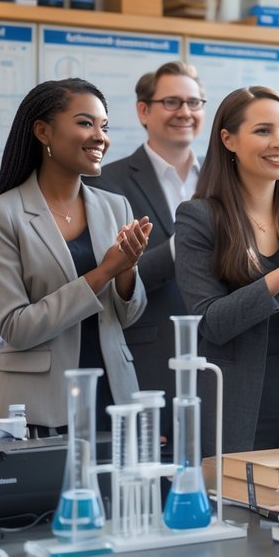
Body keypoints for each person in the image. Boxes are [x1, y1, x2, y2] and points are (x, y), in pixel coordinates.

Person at [175, 86, 279, 454]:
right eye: (263, 131)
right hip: (234, 414)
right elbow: (211, 323)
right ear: (228, 140)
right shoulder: (199, 218)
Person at [0, 78, 150, 434]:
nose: (100, 136)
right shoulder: (1, 214)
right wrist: (103, 272)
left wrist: (126, 271)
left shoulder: (115, 206)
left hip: (114, 399)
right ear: (43, 131)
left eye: (104, 126)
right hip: (38, 410)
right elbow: (17, 328)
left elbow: (127, 316)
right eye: (85, 123)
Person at [87, 61, 205, 437]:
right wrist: (178, 248)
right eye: (172, 101)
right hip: (150, 358)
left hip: (221, 357)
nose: (185, 112)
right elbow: (107, 275)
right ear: (144, 111)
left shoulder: (223, 181)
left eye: (194, 102)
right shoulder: (107, 181)